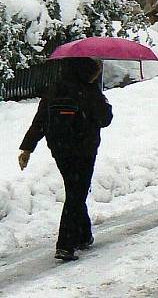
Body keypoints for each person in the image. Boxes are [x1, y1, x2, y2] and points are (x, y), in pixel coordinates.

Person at [18, 58, 113, 261]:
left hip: (61, 150)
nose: (96, 73)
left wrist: (27, 148)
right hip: (84, 150)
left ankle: (84, 235)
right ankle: (65, 245)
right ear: (86, 70)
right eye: (95, 70)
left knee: (75, 189)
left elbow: (40, 121)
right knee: (76, 194)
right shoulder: (88, 90)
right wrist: (103, 101)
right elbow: (105, 120)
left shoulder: (55, 88)